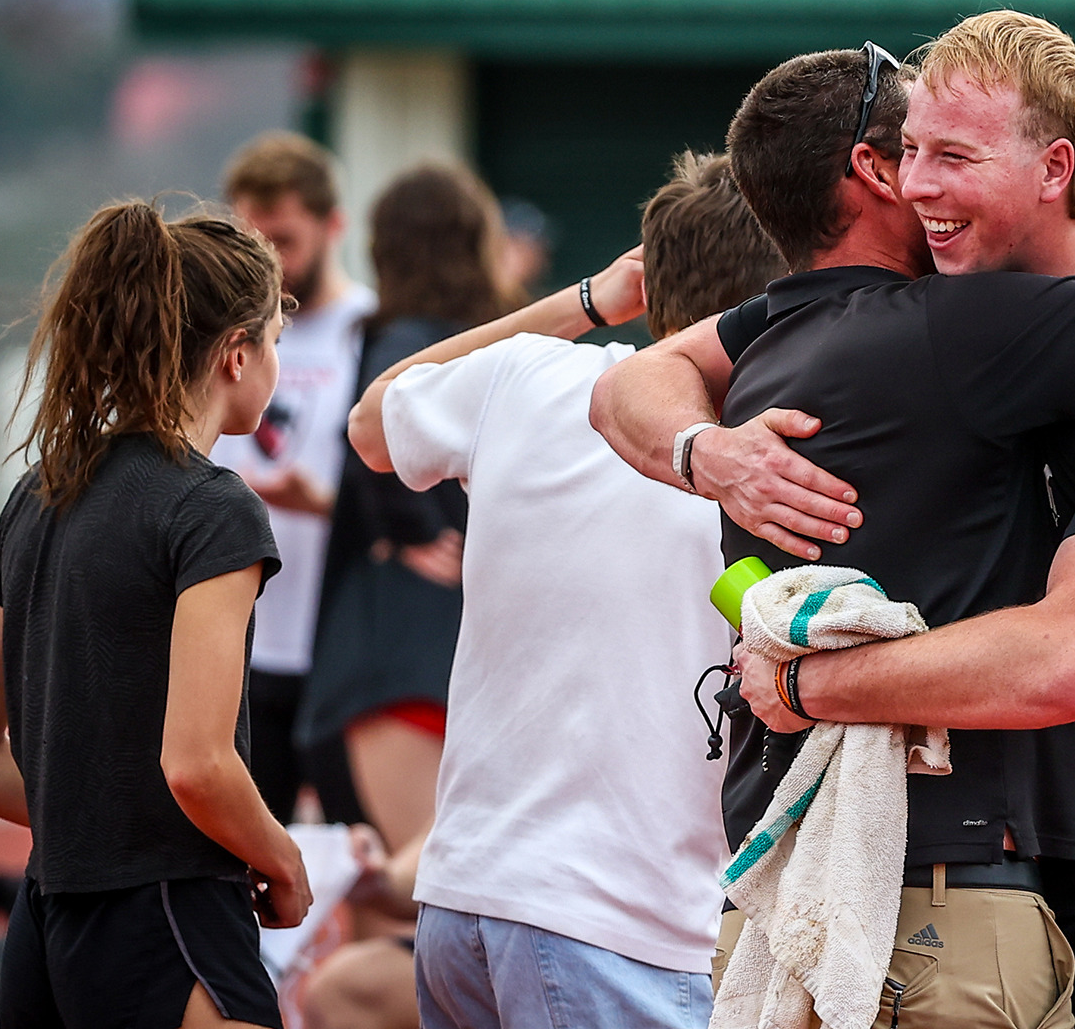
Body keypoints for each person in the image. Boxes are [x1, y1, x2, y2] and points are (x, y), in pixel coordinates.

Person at [593, 43, 1075, 1026]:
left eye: (953, 157)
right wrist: (702, 451)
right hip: (1007, 876)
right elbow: (631, 380)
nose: (918, 182)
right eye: (908, 151)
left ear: (1055, 168)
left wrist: (810, 685)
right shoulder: (931, 319)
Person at [310, 151, 785, 1029]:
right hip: (618, 929)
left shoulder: (532, 376)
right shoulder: (762, 456)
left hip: (466, 907)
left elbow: (376, 417)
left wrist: (591, 300)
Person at [0, 202, 311, 1026]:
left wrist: (85, 813)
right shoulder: (212, 509)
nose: (276, 364)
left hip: (45, 926)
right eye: (274, 342)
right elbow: (197, 764)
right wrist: (284, 859)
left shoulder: (37, 493)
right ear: (236, 356)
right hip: (169, 917)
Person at [300, 162, 508, 856]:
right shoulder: (430, 341)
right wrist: (411, 531)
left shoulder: (415, 338)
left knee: (397, 897)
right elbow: (373, 431)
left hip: (401, 647)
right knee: (416, 895)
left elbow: (372, 432)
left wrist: (408, 529)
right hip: (414, 649)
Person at [215, 131, 376, 826]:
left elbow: (404, 494)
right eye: (253, 242)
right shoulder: (216, 332)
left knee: (356, 856)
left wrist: (325, 505)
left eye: (284, 241)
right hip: (235, 645)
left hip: (337, 642)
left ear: (333, 224)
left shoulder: (370, 330)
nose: (269, 264)